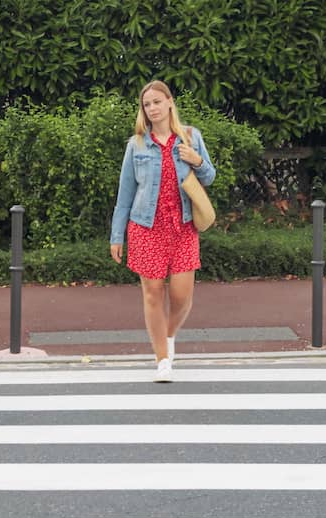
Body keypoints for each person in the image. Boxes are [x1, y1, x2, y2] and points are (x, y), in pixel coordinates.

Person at [110, 80, 215, 382]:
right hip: (146, 227)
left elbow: (209, 177)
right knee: (153, 294)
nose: (152, 108)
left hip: (182, 227)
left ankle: (168, 336)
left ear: (170, 102)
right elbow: (125, 195)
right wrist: (117, 236)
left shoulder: (192, 137)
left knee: (182, 296)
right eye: (147, 104)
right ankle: (162, 359)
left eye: (157, 102)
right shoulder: (137, 145)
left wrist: (197, 161)